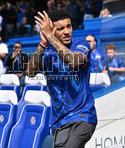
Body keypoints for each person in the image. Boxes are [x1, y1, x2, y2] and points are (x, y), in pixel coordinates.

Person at [26, 10, 97, 147]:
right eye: (61, 28)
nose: (67, 32)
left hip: (82, 117)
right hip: (59, 122)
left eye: (69, 26)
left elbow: (74, 61)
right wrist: (42, 44)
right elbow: (29, 72)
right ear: (52, 30)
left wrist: (49, 36)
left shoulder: (81, 44)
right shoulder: (47, 53)